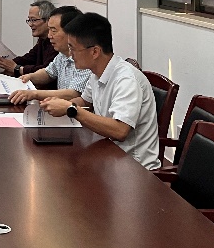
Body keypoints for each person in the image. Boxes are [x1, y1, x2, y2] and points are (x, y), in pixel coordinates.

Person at [39, 12, 161, 170]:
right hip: (108, 156)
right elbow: (85, 101)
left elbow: (120, 130)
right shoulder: (97, 72)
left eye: (73, 48)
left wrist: (70, 109)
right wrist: (58, 104)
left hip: (134, 168)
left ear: (95, 52)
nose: (70, 54)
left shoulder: (126, 79)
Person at [9, 6, 92, 105]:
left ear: (72, 32)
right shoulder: (62, 54)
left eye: (54, 31)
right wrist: (30, 77)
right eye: (49, 30)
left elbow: (73, 94)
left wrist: (34, 94)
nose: (49, 36)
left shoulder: (85, 58)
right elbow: (48, 73)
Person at [0, 0, 57, 76]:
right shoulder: (42, 39)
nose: (30, 24)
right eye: (29, 20)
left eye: (34, 20)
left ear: (48, 20)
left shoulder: (56, 43)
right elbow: (28, 59)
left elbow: (47, 71)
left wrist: (16, 68)